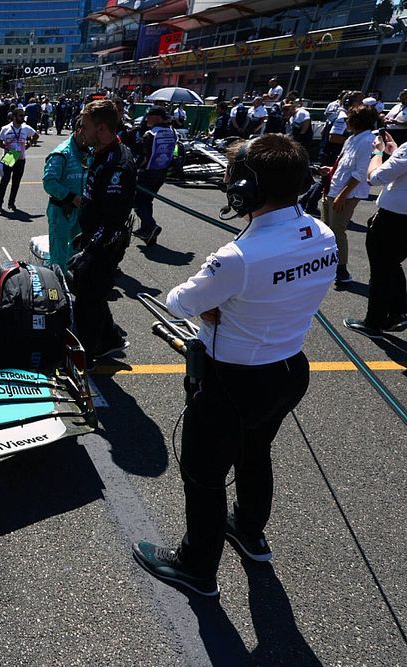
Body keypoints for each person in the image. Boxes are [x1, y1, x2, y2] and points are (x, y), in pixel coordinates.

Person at [132, 134, 337, 598]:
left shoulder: (238, 256)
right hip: (288, 370)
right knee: (254, 453)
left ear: (246, 188)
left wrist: (223, 301)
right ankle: (249, 531)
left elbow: (178, 301)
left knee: (203, 476)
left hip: (233, 382)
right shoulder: (321, 234)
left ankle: (196, 567)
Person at [65, 100, 137, 368]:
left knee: (87, 300)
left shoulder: (117, 164)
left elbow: (113, 220)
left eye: (84, 127)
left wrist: (90, 250)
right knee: (92, 292)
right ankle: (111, 339)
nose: (80, 131)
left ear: (102, 129)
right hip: (95, 237)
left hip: (105, 244)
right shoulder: (102, 152)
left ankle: (86, 356)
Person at [344, 128, 407, 337]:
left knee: (381, 270)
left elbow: (375, 177)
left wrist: (379, 153)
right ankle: (398, 312)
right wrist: (395, 152)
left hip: (393, 219)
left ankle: (374, 322)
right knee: (392, 265)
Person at [320, 104, 378, 286]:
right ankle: (328, 265)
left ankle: (341, 270)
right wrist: (330, 170)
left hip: (346, 193)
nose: (346, 120)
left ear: (357, 121)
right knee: (327, 230)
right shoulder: (352, 139)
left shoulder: (368, 140)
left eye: (349, 118)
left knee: (337, 230)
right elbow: (345, 165)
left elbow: (360, 174)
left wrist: (343, 195)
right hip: (333, 188)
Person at [43, 118, 89, 272]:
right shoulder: (62, 153)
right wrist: (72, 198)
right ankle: (58, 288)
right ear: (79, 129)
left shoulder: (90, 151)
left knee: (78, 250)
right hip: (61, 210)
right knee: (59, 255)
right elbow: (49, 182)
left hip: (82, 211)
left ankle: (73, 280)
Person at [132, 107, 177, 246]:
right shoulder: (172, 132)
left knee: (138, 202)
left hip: (148, 172)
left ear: (157, 117)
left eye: (149, 116)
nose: (146, 119)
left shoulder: (150, 134)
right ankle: (146, 230)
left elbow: (144, 157)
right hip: (162, 173)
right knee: (148, 200)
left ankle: (151, 226)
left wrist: (134, 169)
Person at [0, 108, 39, 211]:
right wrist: (7, 147)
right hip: (10, 156)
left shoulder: (26, 128)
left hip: (21, 158)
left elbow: (36, 136)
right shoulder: (6, 128)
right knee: (5, 180)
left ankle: (11, 203)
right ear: (14, 117)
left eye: (23, 115)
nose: (23, 118)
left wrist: (29, 144)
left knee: (16, 182)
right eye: (20, 116)